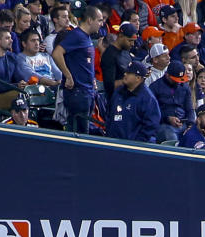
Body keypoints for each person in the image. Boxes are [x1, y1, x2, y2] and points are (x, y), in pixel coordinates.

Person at [52, 4, 103, 134]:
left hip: (87, 92)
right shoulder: (76, 35)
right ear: (90, 20)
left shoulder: (86, 37)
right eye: (99, 20)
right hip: (78, 92)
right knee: (78, 133)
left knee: (84, 131)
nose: (101, 24)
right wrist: (68, 75)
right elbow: (57, 53)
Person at [106, 59, 161, 142]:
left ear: (138, 78)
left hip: (134, 149)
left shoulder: (148, 99)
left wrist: (137, 142)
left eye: (128, 73)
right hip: (113, 143)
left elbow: (151, 125)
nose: (125, 74)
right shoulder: (118, 92)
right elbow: (109, 113)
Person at [0, 28, 32, 110]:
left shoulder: (11, 56)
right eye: (7, 38)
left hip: (11, 91)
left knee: (32, 92)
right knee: (22, 96)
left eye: (11, 38)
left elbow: (19, 75)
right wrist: (16, 86)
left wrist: (24, 83)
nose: (11, 40)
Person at [152, 59, 194, 141]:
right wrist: (167, 118)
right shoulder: (155, 87)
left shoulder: (185, 87)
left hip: (183, 123)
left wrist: (190, 125)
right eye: (175, 80)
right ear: (167, 75)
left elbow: (190, 109)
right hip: (163, 124)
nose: (178, 82)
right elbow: (152, 111)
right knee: (170, 135)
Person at [102, 22, 136, 99]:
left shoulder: (125, 50)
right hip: (116, 99)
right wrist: (131, 79)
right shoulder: (109, 55)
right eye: (130, 40)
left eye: (133, 41)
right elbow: (109, 86)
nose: (132, 44)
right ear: (120, 36)